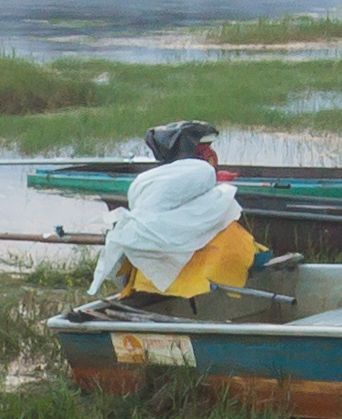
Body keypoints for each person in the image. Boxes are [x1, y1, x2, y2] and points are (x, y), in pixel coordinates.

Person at [84, 120, 260, 301]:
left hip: (149, 268)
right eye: (204, 148)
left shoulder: (146, 183)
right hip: (202, 285)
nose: (210, 154)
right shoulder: (205, 183)